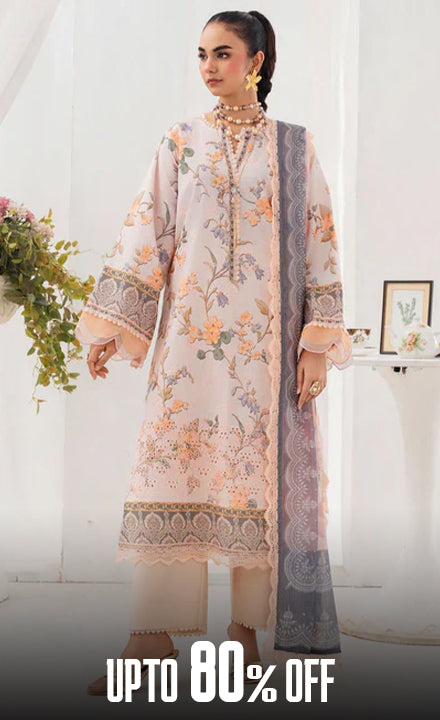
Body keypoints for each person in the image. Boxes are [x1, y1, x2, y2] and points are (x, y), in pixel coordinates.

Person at [74, 10, 352, 695]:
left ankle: (247, 634)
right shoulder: (180, 142)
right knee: (171, 473)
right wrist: (113, 327)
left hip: (265, 353)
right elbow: (148, 234)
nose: (207, 66)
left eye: (222, 53)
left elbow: (320, 243)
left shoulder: (295, 148)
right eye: (201, 54)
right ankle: (151, 638)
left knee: (256, 487)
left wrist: (316, 346)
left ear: (256, 61)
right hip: (189, 352)